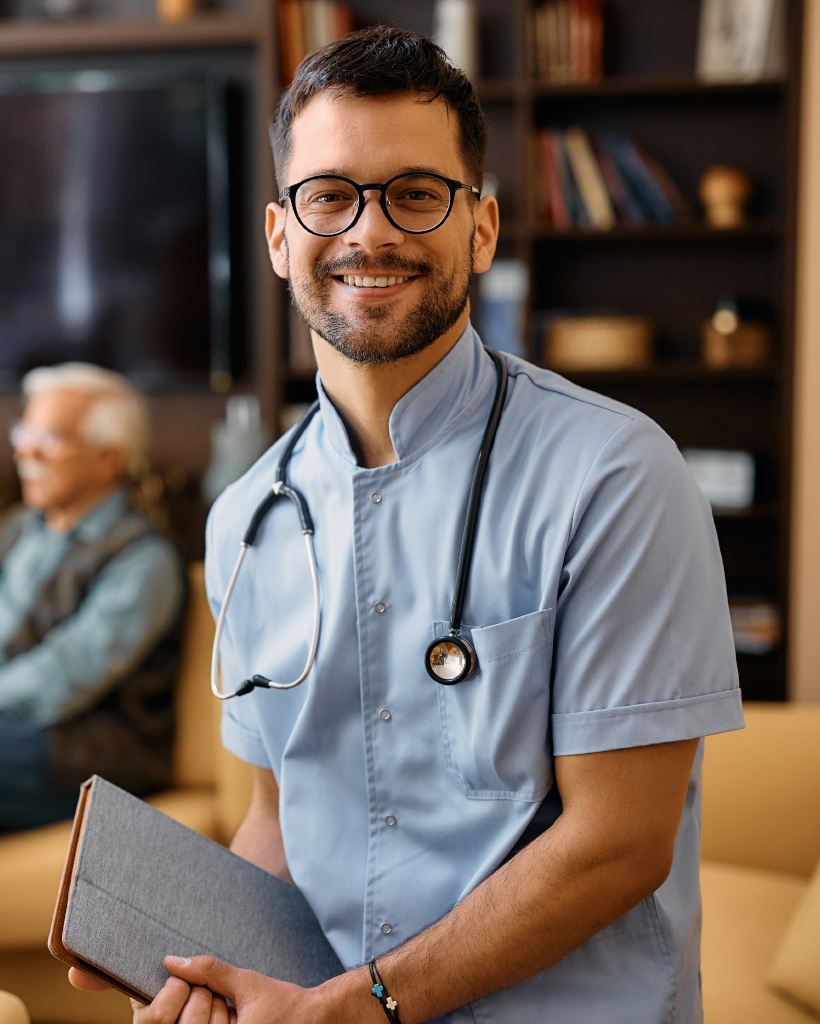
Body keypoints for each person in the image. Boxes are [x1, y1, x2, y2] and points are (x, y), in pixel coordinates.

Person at [71, 26, 744, 1023]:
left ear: (479, 228)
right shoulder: (245, 520)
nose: (369, 232)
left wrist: (363, 1003)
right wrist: (202, 971)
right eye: (330, 195)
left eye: (416, 194)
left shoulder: (614, 473)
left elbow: (619, 841)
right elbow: (278, 823)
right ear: (276, 235)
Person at [0, 363, 186, 832]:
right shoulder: (21, 529)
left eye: (51, 437)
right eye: (25, 432)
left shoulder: (144, 558)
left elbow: (66, 675)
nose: (25, 451)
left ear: (109, 457)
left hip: (90, 754)